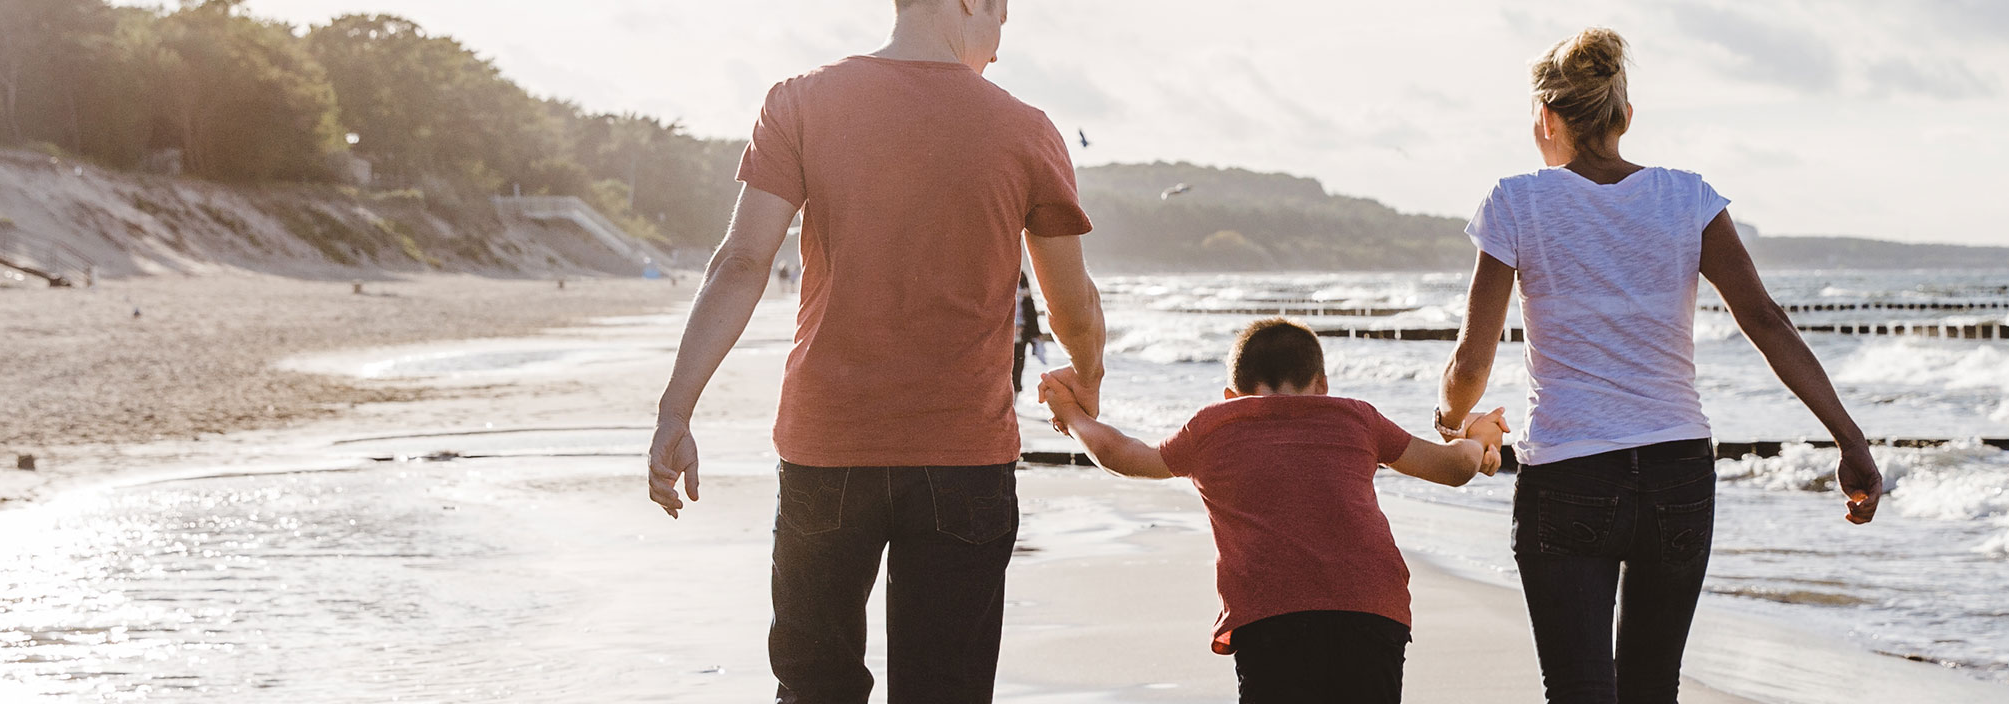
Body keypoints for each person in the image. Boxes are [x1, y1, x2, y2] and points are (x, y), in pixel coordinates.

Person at [637, 0, 1105, 701]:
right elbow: (1072, 303)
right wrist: (1087, 378)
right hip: (964, 458)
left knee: (814, 686)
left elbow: (740, 263)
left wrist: (676, 411)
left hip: (827, 449)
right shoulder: (1026, 130)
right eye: (1002, 20)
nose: (1000, 49)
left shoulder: (798, 102)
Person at [1431, 28, 1890, 704]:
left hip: (1571, 473)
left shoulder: (1515, 201)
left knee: (1580, 691)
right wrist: (1850, 441)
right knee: (1652, 689)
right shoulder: (1687, 197)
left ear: (1546, 119)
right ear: (1625, 118)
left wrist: (1449, 416)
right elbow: (1766, 321)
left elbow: (1474, 357)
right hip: (1679, 473)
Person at [1034, 319, 1510, 704]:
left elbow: (1123, 454)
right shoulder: (1355, 416)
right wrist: (1478, 436)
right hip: (1370, 611)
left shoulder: (1214, 425)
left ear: (1230, 395)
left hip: (1271, 617)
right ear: (1322, 384)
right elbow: (1452, 468)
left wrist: (1073, 416)